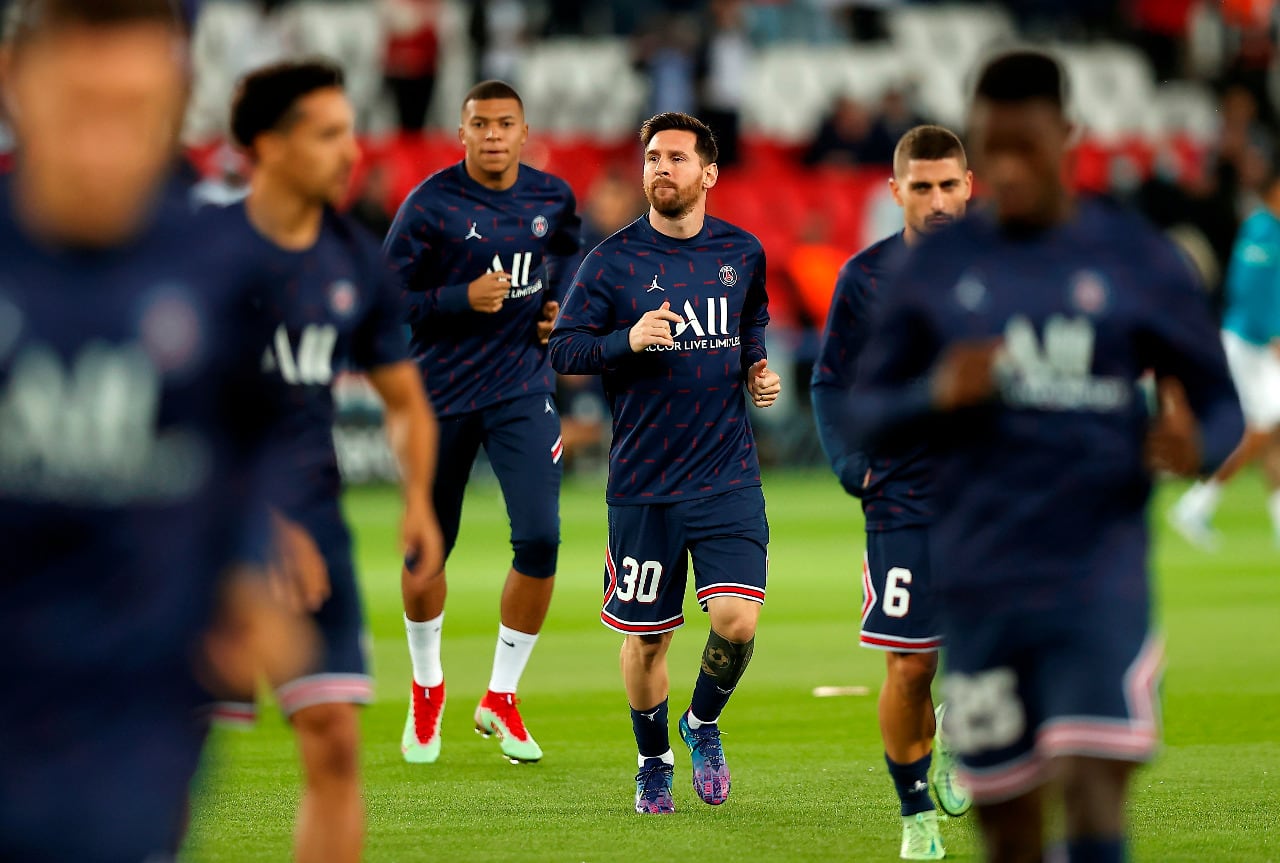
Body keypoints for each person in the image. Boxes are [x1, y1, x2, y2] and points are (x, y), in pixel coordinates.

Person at [843, 50, 1244, 863]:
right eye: (994, 150)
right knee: (1010, 824)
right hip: (981, 575)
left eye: (1027, 148)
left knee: (1095, 786)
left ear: (1066, 135)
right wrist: (935, 395)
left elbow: (1223, 404)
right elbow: (865, 414)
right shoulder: (934, 271)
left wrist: (1199, 441)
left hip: (1099, 570)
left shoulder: (1136, 258)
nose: (1010, 168)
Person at [0, 1, 316, 860]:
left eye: (133, 113)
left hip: (131, 739)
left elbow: (250, 450)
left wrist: (250, 565)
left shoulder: (220, 273)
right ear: (16, 84)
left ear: (177, 102)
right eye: (82, 108)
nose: (105, 148)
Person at [221, 60, 444, 863]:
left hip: (315, 527)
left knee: (335, 742)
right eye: (328, 133)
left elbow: (405, 400)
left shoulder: (357, 260)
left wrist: (418, 498)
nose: (352, 150)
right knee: (158, 754)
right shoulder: (203, 255)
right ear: (269, 146)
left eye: (351, 128)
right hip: (197, 528)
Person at [549, 111, 781, 814]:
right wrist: (627, 338)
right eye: (653, 157)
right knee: (647, 641)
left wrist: (758, 368)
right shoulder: (612, 261)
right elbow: (563, 350)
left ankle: (702, 723)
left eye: (677, 158)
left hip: (726, 474)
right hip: (645, 483)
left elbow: (752, 324)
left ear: (708, 173)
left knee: (737, 620)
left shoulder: (742, 252)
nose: (661, 168)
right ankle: (653, 762)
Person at [384, 79, 581, 764]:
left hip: (521, 390)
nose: (493, 135)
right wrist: (457, 298)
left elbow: (566, 264)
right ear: (460, 132)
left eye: (505, 124)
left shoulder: (552, 198)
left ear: (525, 133)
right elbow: (386, 302)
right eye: (480, 124)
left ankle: (500, 694)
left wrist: (560, 311)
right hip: (437, 396)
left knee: (541, 537)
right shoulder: (430, 205)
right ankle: (428, 683)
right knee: (426, 552)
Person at [811, 124, 973, 861]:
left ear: (969, 185)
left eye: (949, 185)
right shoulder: (865, 279)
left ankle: (966, 733)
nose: (937, 200)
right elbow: (829, 382)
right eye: (922, 186)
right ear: (896, 191)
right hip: (903, 492)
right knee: (910, 662)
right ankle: (915, 810)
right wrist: (851, 464)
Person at [1169, 160, 1280, 549]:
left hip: (1256, 344)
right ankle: (1195, 503)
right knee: (1261, 428)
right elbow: (1246, 291)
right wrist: (1272, 334)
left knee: (1273, 432)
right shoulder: (1263, 231)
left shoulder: (1267, 229)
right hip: (1247, 344)